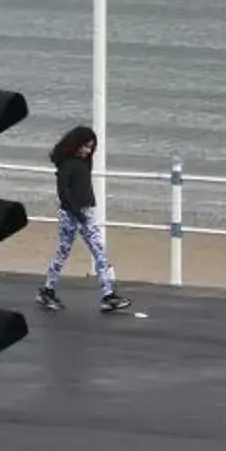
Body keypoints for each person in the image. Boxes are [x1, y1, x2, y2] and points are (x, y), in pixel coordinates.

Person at [38, 125, 133, 315]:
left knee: (96, 251)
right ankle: (50, 290)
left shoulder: (81, 163)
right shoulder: (67, 165)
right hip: (73, 214)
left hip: (84, 212)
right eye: (85, 146)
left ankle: (107, 294)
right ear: (75, 144)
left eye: (90, 147)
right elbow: (64, 192)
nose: (88, 151)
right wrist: (78, 213)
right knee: (73, 251)